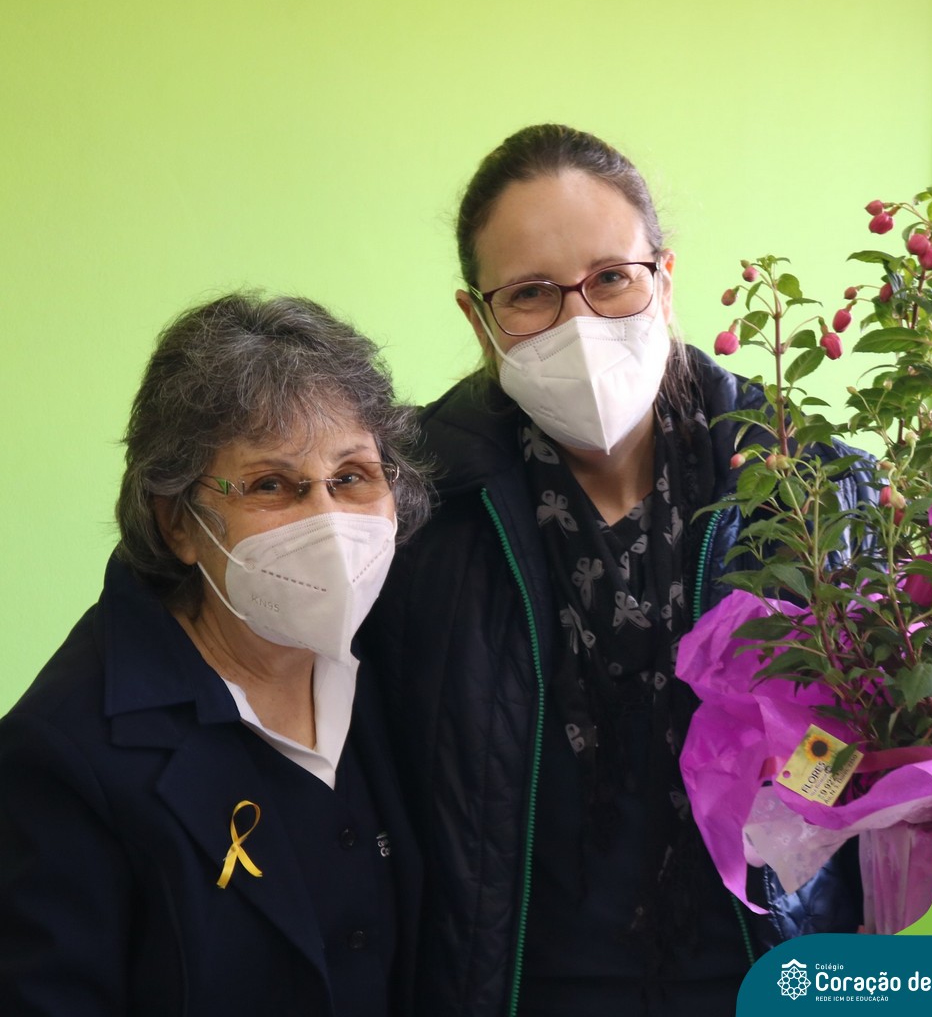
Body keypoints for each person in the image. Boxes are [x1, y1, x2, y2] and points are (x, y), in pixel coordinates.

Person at [364, 124, 870, 1017]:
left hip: (767, 977)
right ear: (478, 320)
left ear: (664, 282)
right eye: (531, 294)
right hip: (517, 989)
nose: (581, 323)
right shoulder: (414, 507)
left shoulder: (812, 488)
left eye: (611, 279)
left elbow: (869, 732)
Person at [0, 293, 431, 1016]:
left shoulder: (402, 665)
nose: (328, 523)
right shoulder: (64, 753)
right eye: (271, 485)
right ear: (179, 523)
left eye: (352, 476)